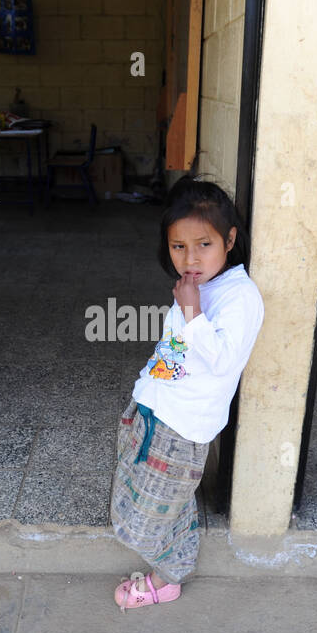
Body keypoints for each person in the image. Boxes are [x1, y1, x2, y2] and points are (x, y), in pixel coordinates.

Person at [109, 177, 265, 610]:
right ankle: (169, 567)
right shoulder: (197, 287)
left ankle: (167, 579)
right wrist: (144, 390)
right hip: (157, 409)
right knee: (161, 502)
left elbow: (222, 360)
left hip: (184, 427)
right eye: (179, 247)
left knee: (154, 512)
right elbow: (172, 348)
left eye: (203, 244)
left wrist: (192, 310)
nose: (190, 258)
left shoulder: (240, 297)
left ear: (229, 239)